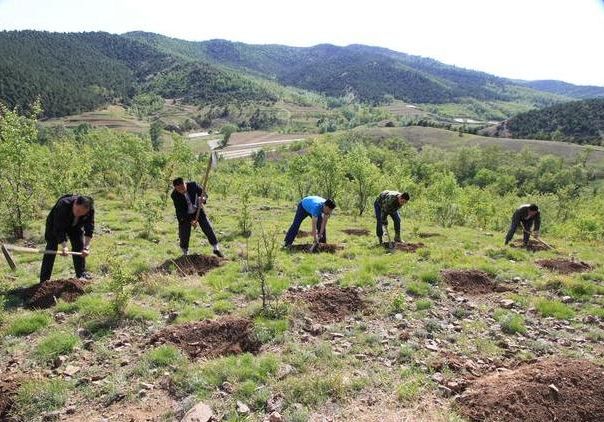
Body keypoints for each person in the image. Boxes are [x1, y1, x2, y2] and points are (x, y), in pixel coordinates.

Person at [40, 195, 95, 283]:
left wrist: (86, 248)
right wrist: (64, 246)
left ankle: (81, 274)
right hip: (55, 225)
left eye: (82, 213)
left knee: (79, 245)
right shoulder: (63, 204)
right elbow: (58, 229)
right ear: (75, 203)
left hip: (75, 226)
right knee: (51, 247)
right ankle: (44, 280)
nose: (79, 214)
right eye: (78, 210)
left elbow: (89, 229)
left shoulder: (90, 210)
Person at [171, 177, 223, 257]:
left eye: (183, 188)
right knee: (184, 233)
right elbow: (180, 211)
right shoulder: (174, 195)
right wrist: (191, 221)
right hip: (185, 214)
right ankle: (185, 253)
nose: (182, 190)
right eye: (179, 189)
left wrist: (203, 199)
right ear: (175, 188)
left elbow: (204, 194)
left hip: (197, 210)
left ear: (185, 183)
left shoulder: (193, 185)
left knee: (207, 227)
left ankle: (216, 248)